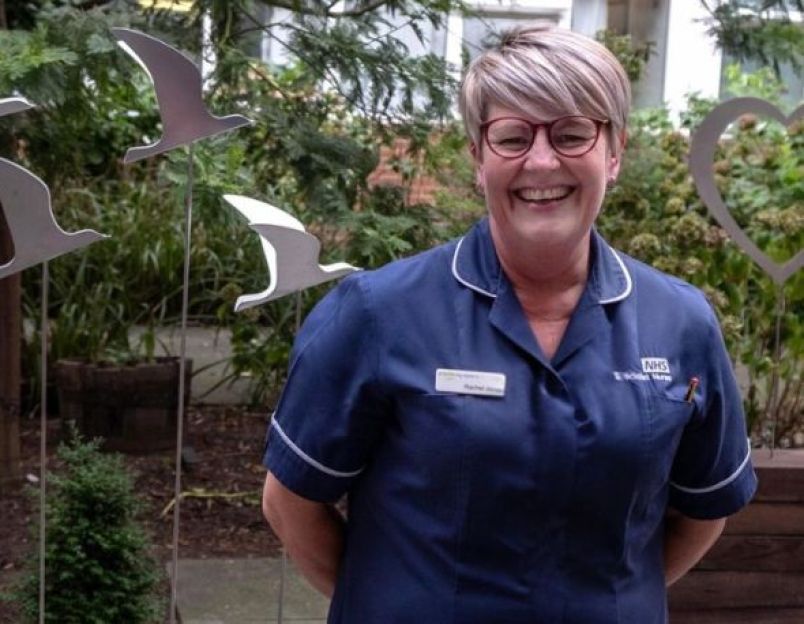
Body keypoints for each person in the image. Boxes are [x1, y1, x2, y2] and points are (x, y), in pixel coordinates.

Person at [260, 23, 757, 623]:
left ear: (615, 152)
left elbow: (706, 508)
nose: (541, 161)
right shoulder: (375, 314)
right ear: (477, 157)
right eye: (513, 136)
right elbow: (290, 504)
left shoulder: (679, 322)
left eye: (573, 134)